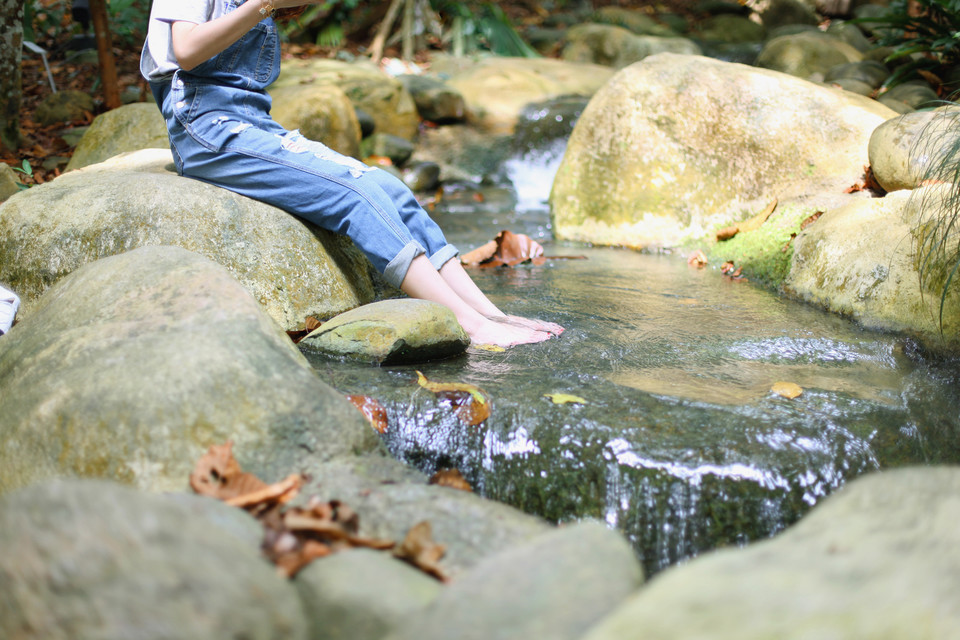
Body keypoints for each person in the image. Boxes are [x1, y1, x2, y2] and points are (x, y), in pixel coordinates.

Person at [140, 0, 563, 347]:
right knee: (355, 195)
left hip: (251, 122)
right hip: (204, 128)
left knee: (389, 188)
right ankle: (472, 327)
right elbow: (188, 49)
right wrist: (263, 5)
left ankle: (489, 312)